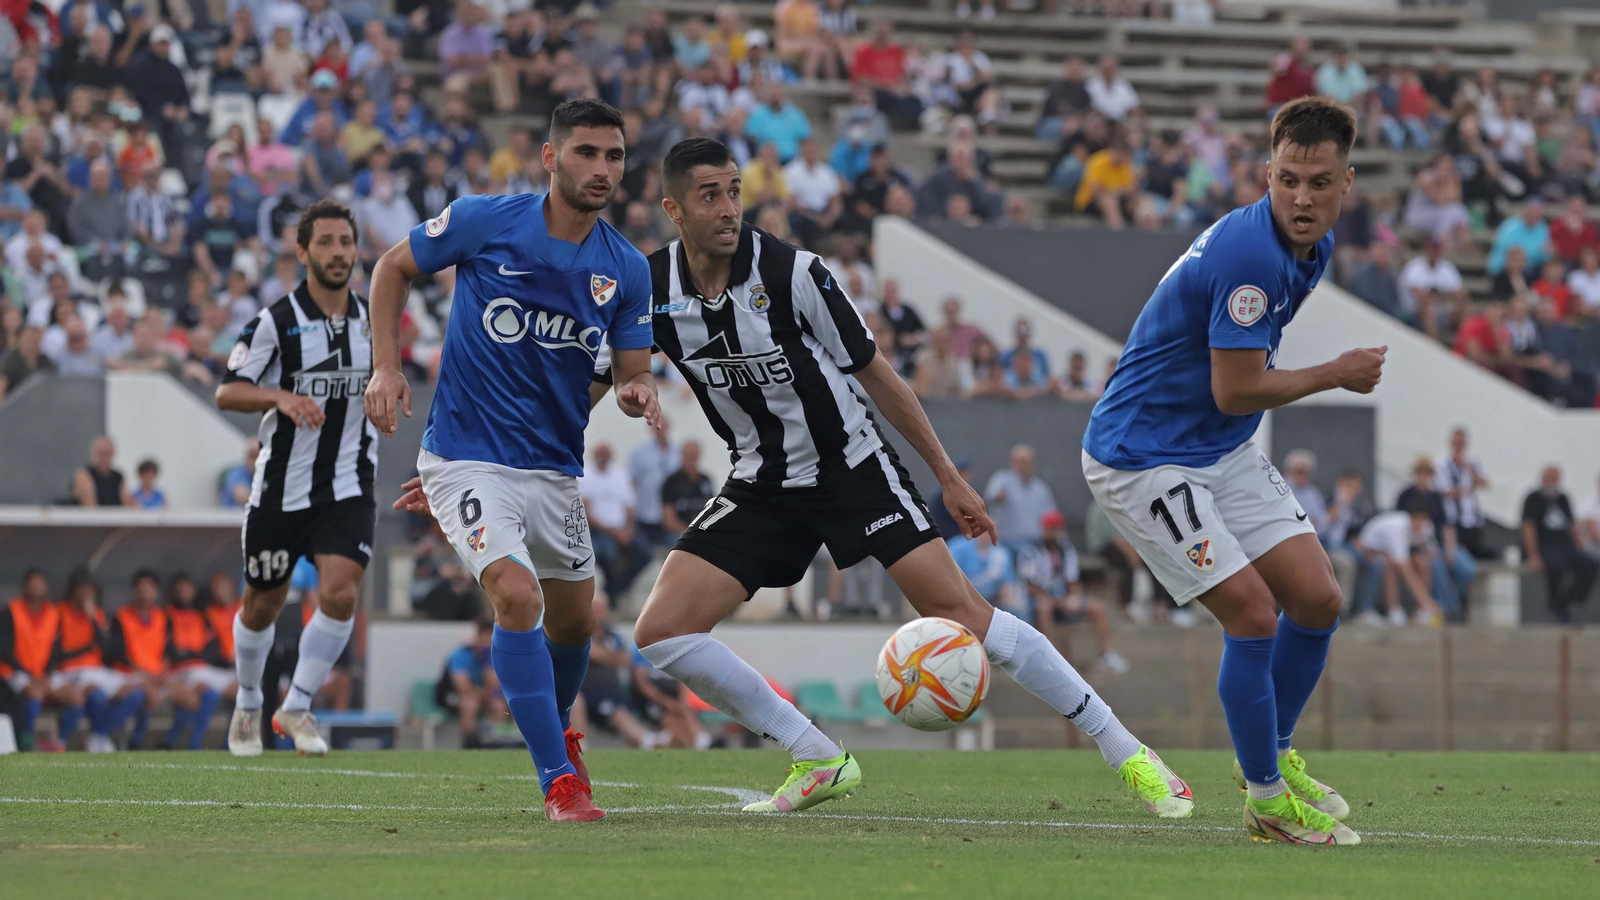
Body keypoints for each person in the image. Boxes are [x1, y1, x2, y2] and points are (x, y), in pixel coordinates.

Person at [569, 138, 1192, 818]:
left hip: (853, 468)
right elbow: (603, 378)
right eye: (709, 195)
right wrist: (616, 397)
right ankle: (816, 756)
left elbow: (879, 376)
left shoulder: (793, 273)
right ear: (673, 210)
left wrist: (947, 476)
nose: (728, 208)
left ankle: (1130, 753)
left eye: (734, 191)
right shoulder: (647, 288)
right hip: (762, 482)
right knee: (661, 631)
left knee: (964, 616)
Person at [1081, 98, 1376, 845]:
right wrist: (1334, 373)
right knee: (1251, 613)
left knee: (1317, 599)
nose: (1301, 198)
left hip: (1219, 447)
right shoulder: (1250, 256)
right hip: (1143, 454)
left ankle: (1268, 755)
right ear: (1265, 174)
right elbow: (1236, 388)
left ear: (1346, 181)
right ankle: (1267, 802)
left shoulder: (1314, 245)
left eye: (1318, 183)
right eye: (1287, 180)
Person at [366, 100, 658, 823]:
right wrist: (387, 368)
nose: (603, 168)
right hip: (466, 456)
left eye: (614, 156)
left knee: (576, 623)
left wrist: (638, 391)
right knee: (518, 598)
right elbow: (391, 268)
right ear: (551, 158)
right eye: (586, 152)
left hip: (552, 468)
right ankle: (559, 780)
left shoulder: (626, 268)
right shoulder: (484, 221)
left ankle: (554, 726)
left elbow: (627, 373)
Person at [215, 202, 377, 760]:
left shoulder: (376, 319)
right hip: (281, 487)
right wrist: (279, 397)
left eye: (345, 242)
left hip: (349, 483)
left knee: (340, 592)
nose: (338, 252)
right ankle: (249, 700)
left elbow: (393, 373)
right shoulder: (274, 321)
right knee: (263, 603)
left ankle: (297, 703)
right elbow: (227, 390)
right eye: (326, 242)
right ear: (303, 253)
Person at [1016, 511, 1127, 673]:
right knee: (1044, 606)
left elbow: (1072, 581)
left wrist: (1074, 598)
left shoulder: (1067, 550)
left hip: (1062, 599)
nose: (1053, 532)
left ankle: (1105, 655)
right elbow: (1031, 587)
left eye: (1056, 528)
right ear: (1043, 530)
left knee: (1097, 607)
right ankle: (1049, 659)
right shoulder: (1030, 551)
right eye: (1050, 528)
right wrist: (1059, 602)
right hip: (1038, 601)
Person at [53, 573, 145, 752]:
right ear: (73, 590)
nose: (85, 594)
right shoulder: (59, 612)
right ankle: (94, 739)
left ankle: (99, 735)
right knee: (97, 696)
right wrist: (84, 650)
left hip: (97, 670)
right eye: (82, 589)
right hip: (71, 671)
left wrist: (92, 617)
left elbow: (105, 647)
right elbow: (56, 653)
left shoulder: (97, 614)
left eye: (89, 590)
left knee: (137, 693)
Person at [0, 570, 72, 751]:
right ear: (24, 587)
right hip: (15, 672)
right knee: (34, 693)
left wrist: (46, 674)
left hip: (44, 673)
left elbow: (57, 650)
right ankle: (27, 740)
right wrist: (30, 675)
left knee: (75, 695)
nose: (36, 588)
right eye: (32, 584)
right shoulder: (11, 611)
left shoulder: (54, 613)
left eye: (39, 584)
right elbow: (5, 651)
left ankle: (61, 743)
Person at [163, 573, 234, 750]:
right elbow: (172, 652)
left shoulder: (202, 616)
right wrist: (192, 655)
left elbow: (213, 650)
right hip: (181, 670)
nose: (184, 593)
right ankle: (193, 744)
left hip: (204, 669)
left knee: (243, 691)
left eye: (187, 589)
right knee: (207, 696)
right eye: (180, 589)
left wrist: (190, 653)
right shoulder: (167, 615)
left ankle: (228, 744)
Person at [1522, 465, 1599, 623]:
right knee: (1555, 567)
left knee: (1589, 564)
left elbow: (1572, 526)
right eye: (1549, 478)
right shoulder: (1533, 498)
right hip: (1545, 547)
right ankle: (1556, 608)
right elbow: (1528, 527)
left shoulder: (1563, 498)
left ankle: (1563, 602)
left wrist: (1580, 548)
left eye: (1555, 478)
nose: (1552, 482)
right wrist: (1533, 555)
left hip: (1565, 546)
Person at [1355, 497, 1446, 626]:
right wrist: (1427, 601)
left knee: (1423, 563)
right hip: (1369, 549)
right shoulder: (1398, 529)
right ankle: (1394, 610)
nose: (1420, 524)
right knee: (1389, 566)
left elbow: (1432, 554)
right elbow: (1405, 568)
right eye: (1417, 520)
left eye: (1423, 520)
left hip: (1393, 551)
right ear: (1410, 518)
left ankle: (1421, 611)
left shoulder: (1427, 527)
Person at [580, 441, 653, 600]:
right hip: (598, 530)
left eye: (606, 455)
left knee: (646, 555)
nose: (603, 458)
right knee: (607, 556)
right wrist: (614, 533)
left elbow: (630, 508)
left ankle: (613, 592)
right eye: (600, 455)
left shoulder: (621, 476)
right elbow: (586, 513)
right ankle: (609, 595)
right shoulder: (585, 476)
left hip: (622, 529)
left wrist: (628, 530)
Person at [107, 570, 171, 750]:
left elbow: (168, 651)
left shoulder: (162, 617)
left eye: (149, 587)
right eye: (141, 587)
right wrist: (147, 676)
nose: (145, 591)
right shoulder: (121, 616)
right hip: (126, 673)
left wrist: (163, 673)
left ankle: (171, 742)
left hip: (155, 675)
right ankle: (110, 734)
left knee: (189, 697)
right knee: (145, 695)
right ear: (134, 591)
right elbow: (118, 654)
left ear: (156, 591)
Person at [435, 620, 508, 748]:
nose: (487, 643)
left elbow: (494, 686)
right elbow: (463, 688)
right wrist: (483, 694)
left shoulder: (494, 656)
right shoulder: (461, 655)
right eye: (484, 638)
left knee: (499, 706)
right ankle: (470, 744)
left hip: (483, 695)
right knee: (469, 705)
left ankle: (497, 744)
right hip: (452, 696)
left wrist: (487, 662)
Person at [984, 444, 1059, 558]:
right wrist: (998, 496)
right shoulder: (1002, 480)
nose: (1024, 466)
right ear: (1012, 463)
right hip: (1005, 542)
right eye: (1021, 462)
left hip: (1035, 543)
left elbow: (1051, 515)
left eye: (1027, 462)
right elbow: (990, 495)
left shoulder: (1040, 488)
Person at [1436, 427, 1491, 559]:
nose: (1459, 446)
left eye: (1461, 443)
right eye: (1456, 443)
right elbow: (1444, 491)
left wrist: (1467, 468)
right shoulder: (1441, 464)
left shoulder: (1472, 462)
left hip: (1472, 519)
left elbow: (1484, 484)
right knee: (1456, 556)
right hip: (1453, 520)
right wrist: (1468, 491)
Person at [629, 418, 680, 547]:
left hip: (672, 513)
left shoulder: (677, 452)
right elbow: (632, 482)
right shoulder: (640, 453)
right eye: (657, 426)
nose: (660, 429)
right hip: (647, 512)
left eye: (663, 426)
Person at [660, 440, 715, 537]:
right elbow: (668, 520)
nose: (692, 461)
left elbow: (712, 510)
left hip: (702, 531)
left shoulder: (705, 481)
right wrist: (689, 532)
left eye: (694, 457)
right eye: (689, 457)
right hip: (679, 533)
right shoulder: (672, 482)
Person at [72, 435, 135, 508]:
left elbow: (127, 503)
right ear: (93, 453)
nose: (104, 458)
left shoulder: (118, 477)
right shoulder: (84, 475)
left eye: (107, 453)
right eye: (101, 453)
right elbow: (89, 506)